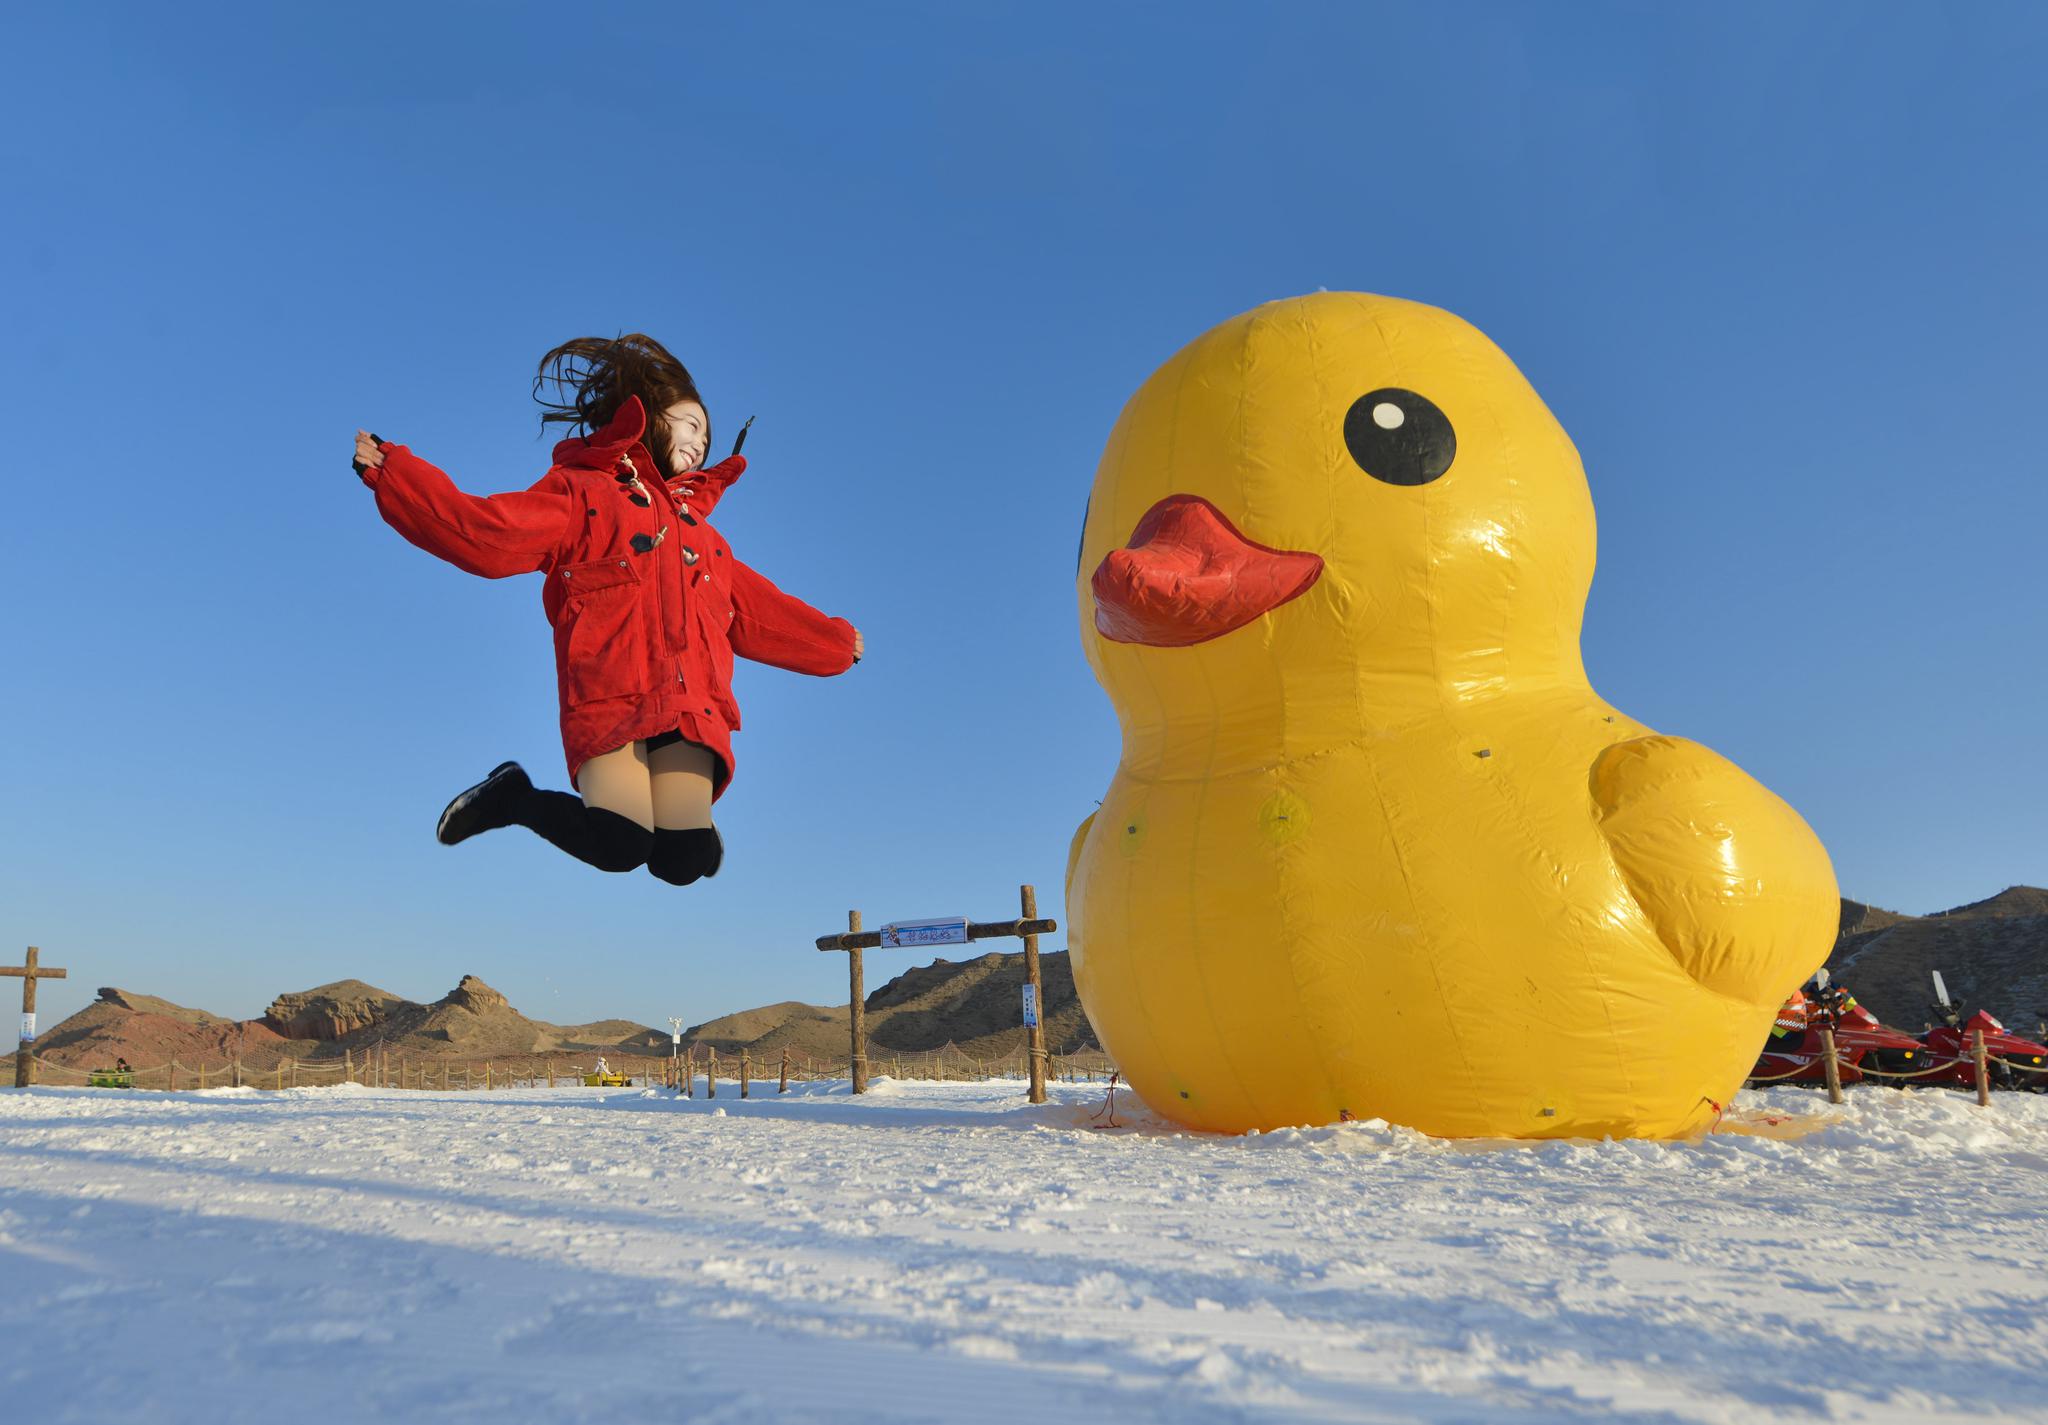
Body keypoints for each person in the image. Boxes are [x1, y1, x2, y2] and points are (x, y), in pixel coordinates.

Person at [353, 335, 862, 884]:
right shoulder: (584, 494)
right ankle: (514, 798)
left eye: (707, 435)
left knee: (685, 860)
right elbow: (487, 533)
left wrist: (835, 645)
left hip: (692, 708)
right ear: (645, 416)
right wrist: (396, 475)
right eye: (689, 424)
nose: (700, 442)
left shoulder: (707, 539)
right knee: (620, 843)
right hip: (610, 699)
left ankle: (686, 829)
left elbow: (764, 614)